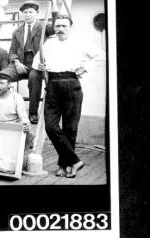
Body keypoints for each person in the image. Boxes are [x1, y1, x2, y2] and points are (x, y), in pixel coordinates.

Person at [32, 15, 101, 178]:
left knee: (70, 128)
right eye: (57, 26)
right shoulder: (49, 43)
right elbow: (36, 62)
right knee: (51, 126)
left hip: (71, 84)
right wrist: (40, 65)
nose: (60, 29)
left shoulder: (80, 42)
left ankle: (65, 165)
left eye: (64, 26)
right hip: (53, 85)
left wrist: (85, 68)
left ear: (70, 27)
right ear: (54, 28)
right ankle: (75, 160)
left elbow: (101, 56)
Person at [8, 0, 46, 124]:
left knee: (34, 77)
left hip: (36, 63)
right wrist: (17, 62)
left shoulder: (44, 27)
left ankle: (33, 113)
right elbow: (12, 51)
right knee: (2, 76)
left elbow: (59, 24)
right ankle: (7, 111)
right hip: (21, 62)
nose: (28, 15)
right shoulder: (17, 31)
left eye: (31, 12)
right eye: (25, 12)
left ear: (37, 13)